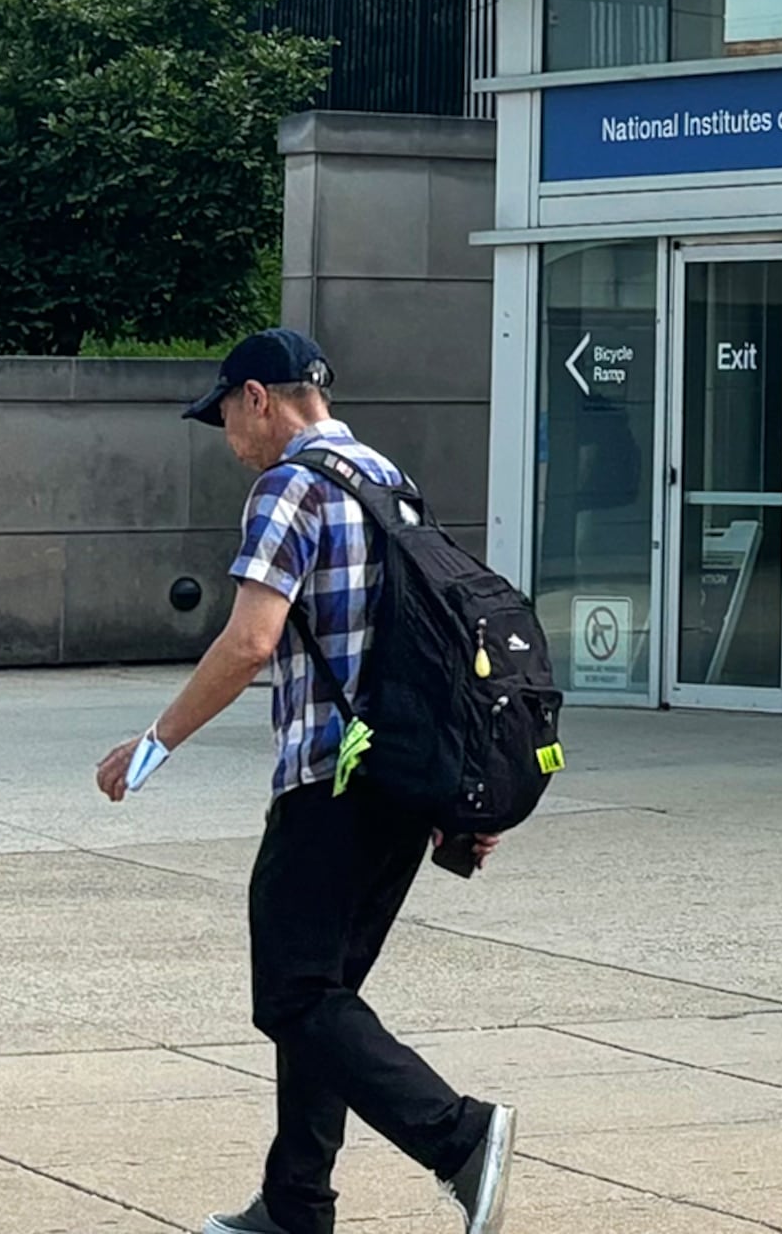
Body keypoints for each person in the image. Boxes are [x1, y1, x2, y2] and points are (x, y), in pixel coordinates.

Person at [93, 329, 517, 1234]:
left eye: (224, 417)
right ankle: (296, 1206)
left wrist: (154, 743)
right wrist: (451, 797)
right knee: (323, 999)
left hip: (331, 779)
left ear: (258, 398)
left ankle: (458, 1137)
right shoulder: (388, 480)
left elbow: (250, 640)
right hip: (402, 782)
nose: (226, 437)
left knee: (292, 993)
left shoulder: (288, 486)